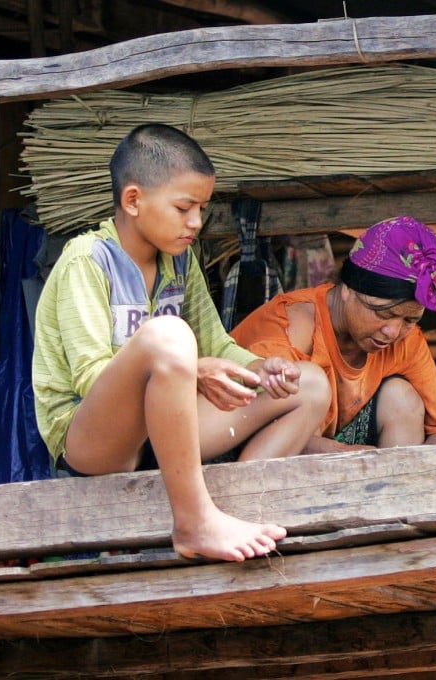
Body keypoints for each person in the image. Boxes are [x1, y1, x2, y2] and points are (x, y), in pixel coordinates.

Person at [32, 123, 330, 562]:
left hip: (163, 436)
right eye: (183, 207)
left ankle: (235, 510)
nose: (195, 223)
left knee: (310, 382)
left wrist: (258, 367)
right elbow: (91, 380)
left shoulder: (180, 260)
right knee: (168, 337)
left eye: (202, 210)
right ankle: (193, 524)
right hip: (95, 443)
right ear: (133, 200)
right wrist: (194, 369)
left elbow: (217, 344)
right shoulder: (86, 261)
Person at [231, 215, 436, 452]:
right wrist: (361, 461)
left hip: (342, 456)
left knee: (402, 400)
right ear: (347, 290)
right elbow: (262, 432)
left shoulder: (406, 341)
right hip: (244, 452)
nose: (393, 331)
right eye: (383, 314)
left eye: (410, 320)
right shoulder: (291, 326)